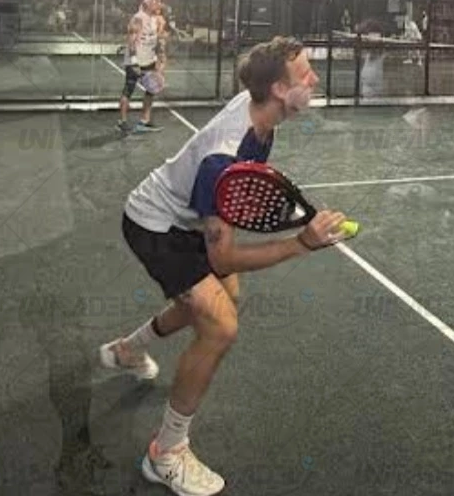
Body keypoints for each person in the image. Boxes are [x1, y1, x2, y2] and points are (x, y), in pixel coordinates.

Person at [99, 36, 348, 496]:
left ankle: (127, 350)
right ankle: (166, 453)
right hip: (153, 225)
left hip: (187, 221)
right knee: (219, 326)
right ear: (277, 88)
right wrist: (302, 243)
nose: (314, 79)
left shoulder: (263, 114)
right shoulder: (224, 156)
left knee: (223, 300)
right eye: (305, 74)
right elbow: (225, 256)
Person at [119, 0, 168, 135]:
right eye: (155, 1)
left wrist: (160, 57)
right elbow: (132, 41)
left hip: (149, 60)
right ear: (146, 3)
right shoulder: (138, 18)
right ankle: (122, 122)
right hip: (135, 61)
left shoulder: (157, 19)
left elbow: (159, 40)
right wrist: (134, 62)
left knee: (151, 90)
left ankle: (144, 121)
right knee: (128, 90)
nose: (158, 4)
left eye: (159, 1)